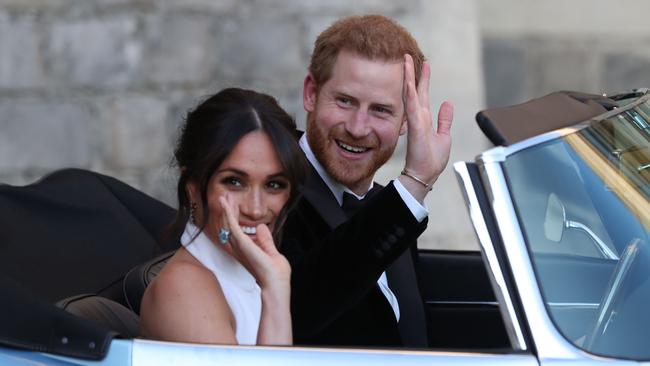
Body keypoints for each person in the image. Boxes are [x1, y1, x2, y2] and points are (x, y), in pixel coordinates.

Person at [280, 15, 454, 347]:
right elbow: (300, 311)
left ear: (406, 121)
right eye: (345, 101)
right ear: (311, 94)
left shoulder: (387, 205)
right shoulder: (270, 191)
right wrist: (415, 182)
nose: (358, 128)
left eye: (381, 110)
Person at [139, 88, 307, 345]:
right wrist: (275, 291)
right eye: (234, 182)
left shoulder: (251, 273)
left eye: (274, 185)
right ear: (192, 187)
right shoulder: (184, 287)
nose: (256, 209)